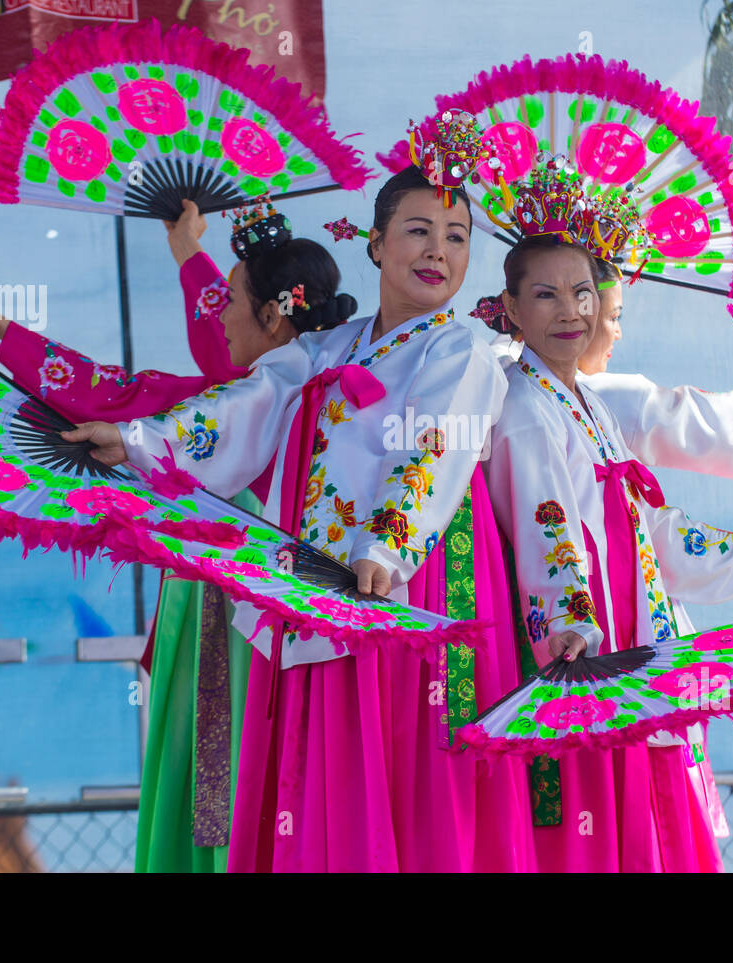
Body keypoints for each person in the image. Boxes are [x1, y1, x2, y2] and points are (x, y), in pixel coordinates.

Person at [67, 157, 537, 871]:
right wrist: (137, 441)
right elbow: (242, 405)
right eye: (418, 230)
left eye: (457, 235)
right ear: (375, 243)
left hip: (396, 593)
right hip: (313, 596)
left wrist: (384, 548)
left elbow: (439, 444)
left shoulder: (460, 346)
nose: (438, 250)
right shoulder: (324, 350)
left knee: (397, 786)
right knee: (319, 791)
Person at [0, 197, 356, 873]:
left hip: (233, 607)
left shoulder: (247, 395)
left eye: (232, 303)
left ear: (275, 316)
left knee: (221, 779)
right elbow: (215, 330)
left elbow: (114, 392)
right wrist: (188, 250)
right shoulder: (332, 382)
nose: (217, 313)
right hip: (313, 616)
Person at [483, 232, 733, 872]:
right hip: (584, 647)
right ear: (511, 309)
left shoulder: (584, 401)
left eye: (581, 293)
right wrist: (568, 626)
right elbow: (543, 520)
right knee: (598, 829)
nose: (569, 312)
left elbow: (644, 524)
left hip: (629, 636)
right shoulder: (524, 404)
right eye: (545, 295)